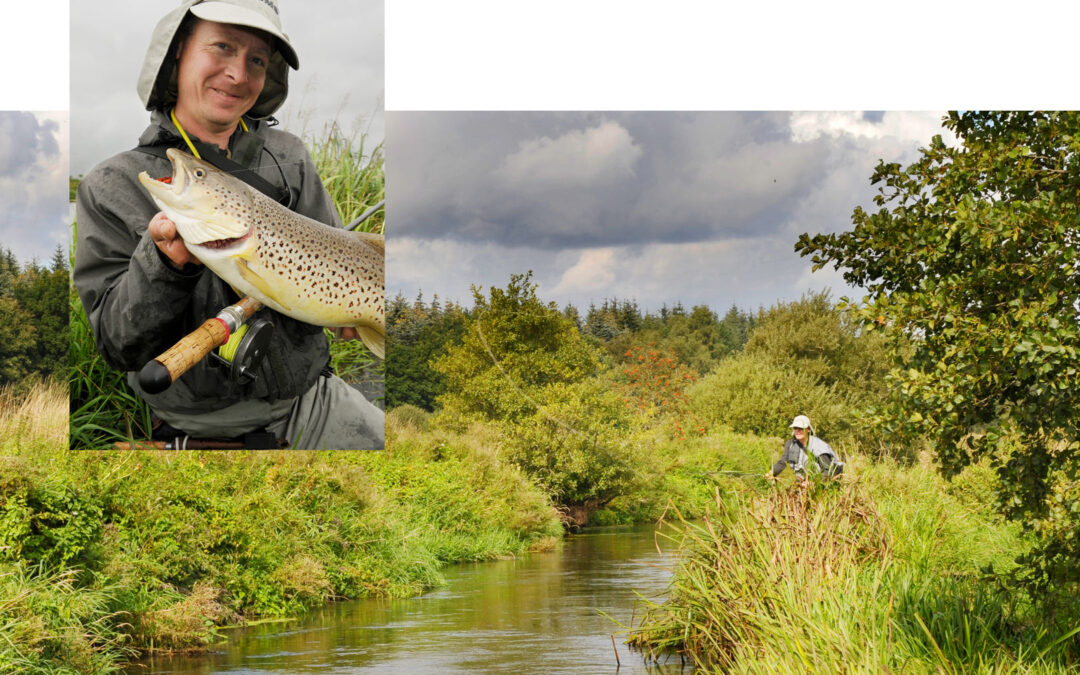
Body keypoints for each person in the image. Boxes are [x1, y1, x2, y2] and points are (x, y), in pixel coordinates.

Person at [73, 0, 384, 450]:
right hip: (190, 423)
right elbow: (118, 346)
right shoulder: (109, 184)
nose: (238, 74)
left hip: (308, 401)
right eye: (222, 47)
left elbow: (345, 250)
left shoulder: (291, 158)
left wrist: (345, 314)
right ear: (177, 52)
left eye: (256, 59)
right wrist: (165, 264)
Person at [765, 415, 843, 484]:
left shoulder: (819, 447)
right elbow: (783, 462)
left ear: (808, 430)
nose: (797, 431)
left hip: (820, 483)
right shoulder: (790, 444)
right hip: (801, 482)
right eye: (795, 428)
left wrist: (813, 483)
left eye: (801, 428)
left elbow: (828, 471)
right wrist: (772, 473)